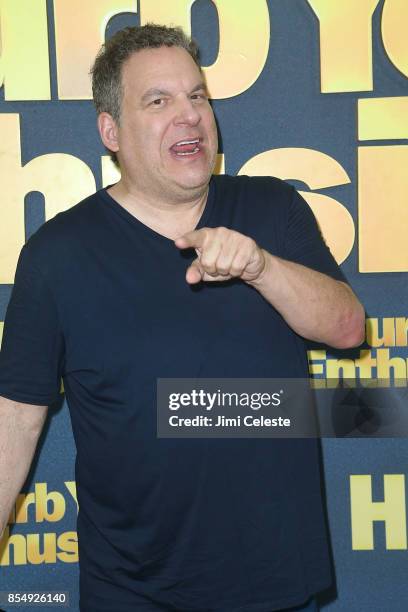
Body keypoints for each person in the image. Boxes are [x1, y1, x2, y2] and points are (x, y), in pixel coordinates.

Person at [0, 24, 364, 612]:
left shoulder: (272, 206)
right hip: (133, 590)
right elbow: (13, 423)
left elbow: (348, 327)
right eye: (159, 100)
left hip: (274, 582)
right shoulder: (56, 255)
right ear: (110, 131)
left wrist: (261, 266)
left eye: (197, 96)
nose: (189, 115)